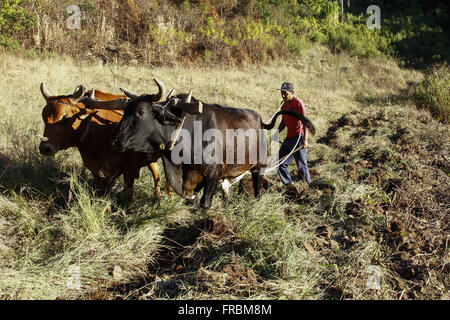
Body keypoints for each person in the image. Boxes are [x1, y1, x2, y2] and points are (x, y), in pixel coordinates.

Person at [275, 82, 311, 188]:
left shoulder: (298, 103)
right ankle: (289, 186)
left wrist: (305, 140)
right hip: (289, 138)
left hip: (299, 137)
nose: (283, 96)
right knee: (280, 163)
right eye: (282, 93)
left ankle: (307, 187)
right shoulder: (283, 104)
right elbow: (284, 121)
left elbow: (305, 122)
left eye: (285, 93)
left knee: (301, 165)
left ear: (292, 92)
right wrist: (276, 132)